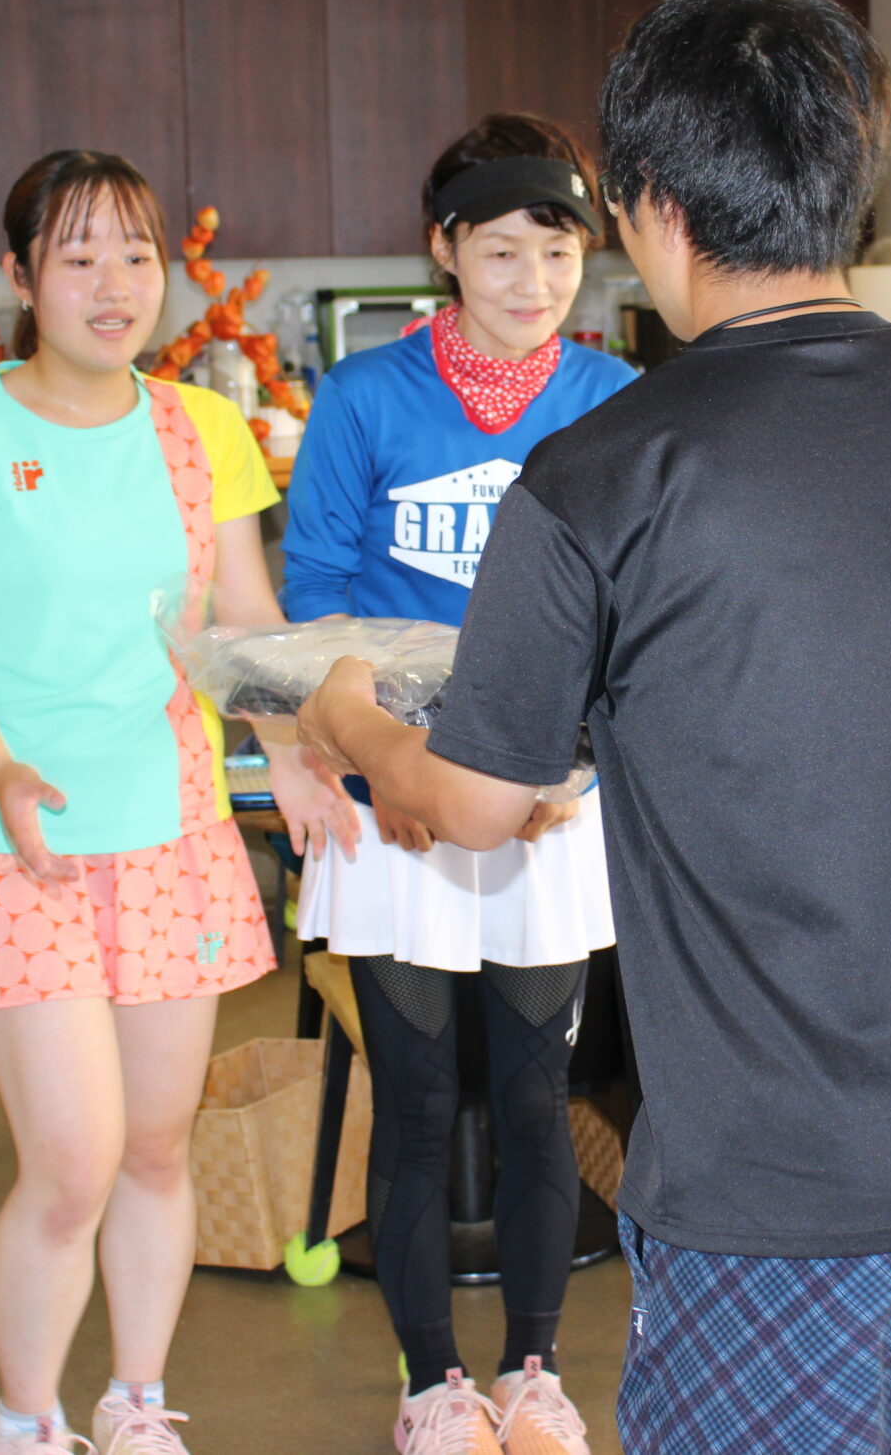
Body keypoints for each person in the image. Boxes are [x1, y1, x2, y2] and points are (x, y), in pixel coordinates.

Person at [297, 0, 891, 1454]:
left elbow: (474, 806)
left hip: (788, 1202)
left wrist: (347, 719)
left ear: (650, 209)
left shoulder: (604, 470)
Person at [0, 149, 354, 1455]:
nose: (113, 284)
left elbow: (241, 620)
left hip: (173, 835)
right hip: (17, 843)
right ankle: (25, 1418)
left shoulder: (201, 429)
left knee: (153, 1149)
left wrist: (290, 752)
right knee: (73, 1161)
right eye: (77, 257)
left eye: (136, 255)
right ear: (21, 278)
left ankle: (136, 1401)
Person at [279, 113, 636, 1455]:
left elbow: (639, 600)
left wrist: (574, 761)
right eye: (502, 251)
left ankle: (535, 1374)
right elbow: (316, 597)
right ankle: (431, 1384)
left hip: (553, 805)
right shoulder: (364, 399)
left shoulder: (612, 398)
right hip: (395, 804)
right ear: (444, 249)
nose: (534, 281)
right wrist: (380, 755)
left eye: (560, 251)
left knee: (541, 1097)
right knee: (418, 1100)